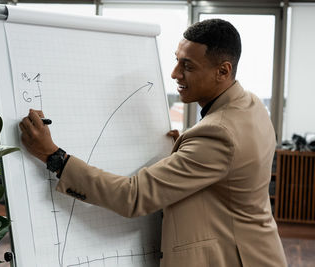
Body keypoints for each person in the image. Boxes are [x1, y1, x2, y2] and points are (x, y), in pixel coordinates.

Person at [19, 19, 287, 267]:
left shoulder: (218, 134)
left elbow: (132, 196)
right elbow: (229, 166)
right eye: (177, 61)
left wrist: (52, 155)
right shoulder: (250, 105)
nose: (174, 73)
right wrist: (185, 146)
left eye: (188, 66)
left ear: (223, 71)